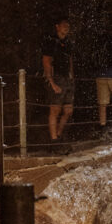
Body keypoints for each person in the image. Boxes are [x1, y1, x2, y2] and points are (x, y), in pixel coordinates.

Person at [41, 16, 74, 148]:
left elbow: (70, 61)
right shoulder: (50, 42)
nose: (66, 28)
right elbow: (46, 62)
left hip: (67, 79)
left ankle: (59, 135)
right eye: (64, 25)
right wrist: (52, 82)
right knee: (55, 110)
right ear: (57, 26)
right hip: (56, 78)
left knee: (68, 110)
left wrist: (72, 78)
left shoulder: (68, 43)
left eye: (68, 26)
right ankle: (54, 140)